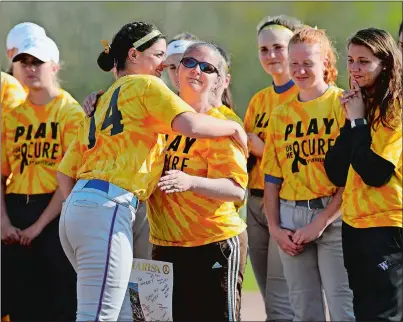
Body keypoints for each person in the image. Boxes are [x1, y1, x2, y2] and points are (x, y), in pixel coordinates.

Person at [56, 21, 248, 321]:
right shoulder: (148, 91)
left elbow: (65, 171)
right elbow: (192, 125)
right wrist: (235, 127)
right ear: (134, 55)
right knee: (102, 315)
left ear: (222, 80)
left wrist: (77, 209)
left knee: (123, 314)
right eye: (162, 57)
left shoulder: (111, 100)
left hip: (86, 210)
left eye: (206, 67)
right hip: (111, 209)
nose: (163, 66)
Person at [148, 41, 248, 321]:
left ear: (219, 81)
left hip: (213, 242)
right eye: (189, 62)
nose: (196, 71)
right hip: (166, 243)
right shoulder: (159, 118)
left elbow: (237, 191)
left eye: (207, 68)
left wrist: (190, 182)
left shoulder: (222, 123)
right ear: (176, 70)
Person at [261, 27, 354, 321]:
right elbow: (272, 180)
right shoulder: (281, 115)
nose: (300, 70)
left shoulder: (343, 104)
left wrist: (322, 221)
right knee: (304, 312)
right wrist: (275, 228)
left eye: (308, 63)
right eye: (294, 63)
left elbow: (353, 174)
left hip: (335, 216)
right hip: (291, 219)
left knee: (343, 309)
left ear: (326, 62)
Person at [1, 35, 82, 321]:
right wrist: (3, 221)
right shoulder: (11, 116)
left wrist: (37, 227)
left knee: (59, 299)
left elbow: (68, 177)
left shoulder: (71, 113)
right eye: (23, 62)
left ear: (55, 66)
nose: (29, 68)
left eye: (37, 62)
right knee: (19, 299)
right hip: (15, 211)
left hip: (54, 212)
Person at [324, 27, 402, 321]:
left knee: (384, 315)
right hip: (354, 224)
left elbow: (375, 173)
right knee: (364, 313)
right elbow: (335, 171)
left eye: (364, 61)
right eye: (351, 60)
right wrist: (352, 122)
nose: (355, 69)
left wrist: (358, 123)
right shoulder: (359, 105)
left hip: (386, 225)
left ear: (386, 63)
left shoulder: (395, 109)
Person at [243, 15, 303, 321]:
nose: (271, 56)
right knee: (270, 298)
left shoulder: (309, 96)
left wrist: (262, 149)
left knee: (285, 301)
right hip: (255, 202)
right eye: (264, 49)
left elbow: (306, 162)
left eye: (278, 47)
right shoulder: (259, 100)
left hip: (288, 202)